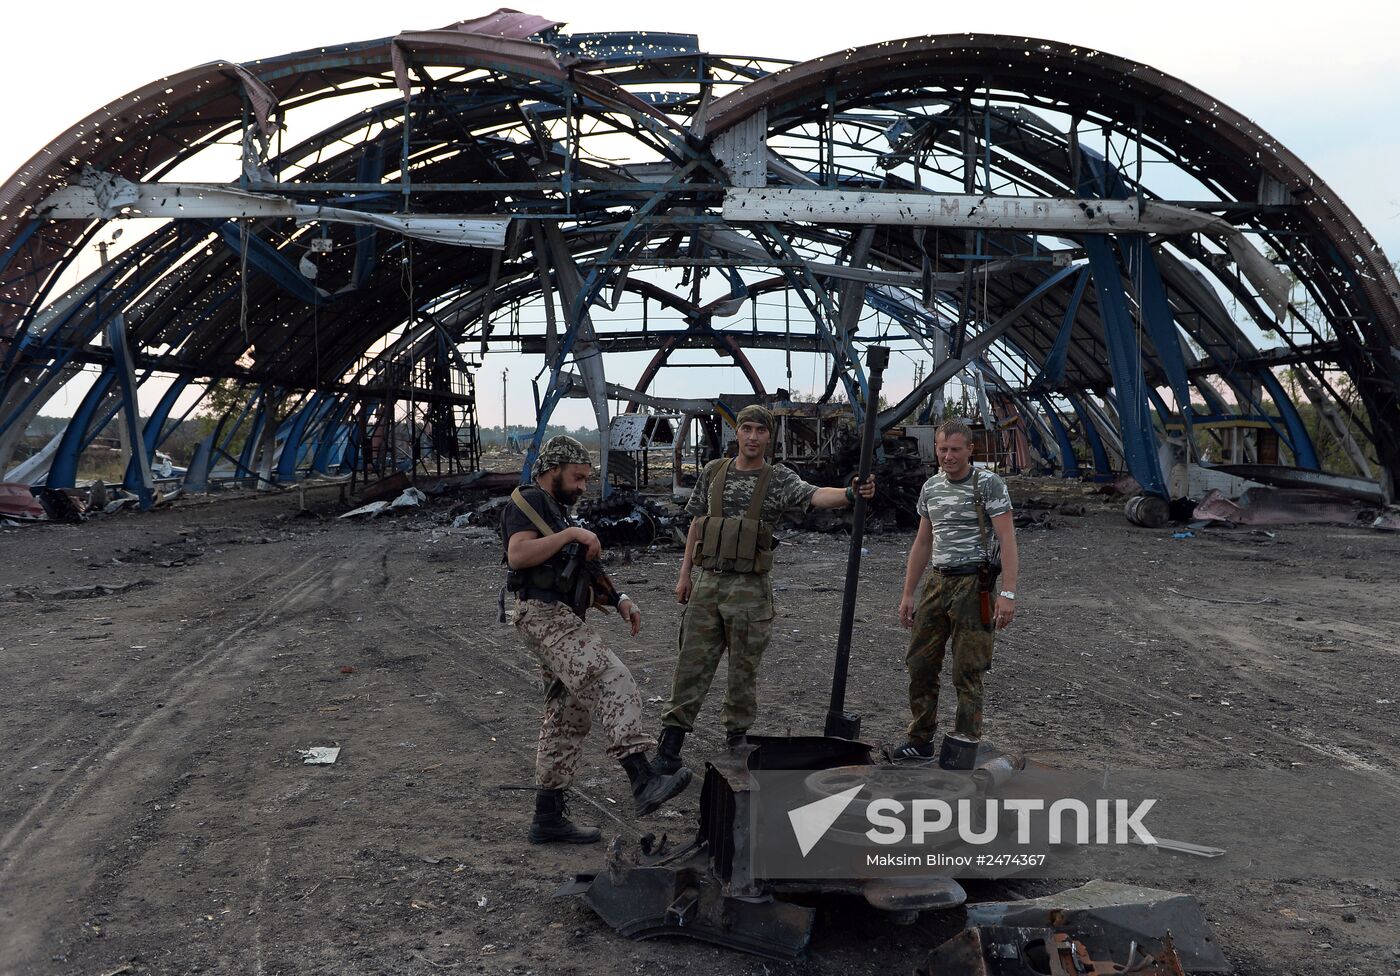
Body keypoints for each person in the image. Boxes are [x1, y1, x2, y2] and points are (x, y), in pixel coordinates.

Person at [653, 404, 876, 773]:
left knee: (743, 669)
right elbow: (697, 524)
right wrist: (684, 575)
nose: (753, 436)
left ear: (769, 437)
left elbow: (817, 495)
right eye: (747, 429)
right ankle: (670, 745)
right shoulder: (713, 472)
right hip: (708, 583)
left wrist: (851, 494)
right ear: (736, 434)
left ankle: (736, 742)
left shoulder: (778, 479)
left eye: (760, 430)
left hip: (750, 590)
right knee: (691, 664)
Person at [501, 435, 693, 844]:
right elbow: (518, 556)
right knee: (609, 675)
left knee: (567, 715)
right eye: (578, 478)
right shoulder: (530, 501)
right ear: (553, 470)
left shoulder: (554, 511)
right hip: (543, 614)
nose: (583, 487)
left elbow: (576, 569)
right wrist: (572, 534)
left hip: (558, 612)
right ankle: (641, 777)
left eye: (587, 480)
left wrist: (619, 598)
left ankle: (548, 816)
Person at [894, 419, 1019, 764]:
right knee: (920, 662)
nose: (948, 456)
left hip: (973, 585)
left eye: (955, 450)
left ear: (969, 450)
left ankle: (964, 744)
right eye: (942, 449)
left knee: (968, 669)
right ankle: (920, 738)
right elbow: (922, 541)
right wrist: (909, 593)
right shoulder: (931, 487)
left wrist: (1007, 594)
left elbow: (1007, 539)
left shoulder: (988, 484)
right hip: (938, 581)